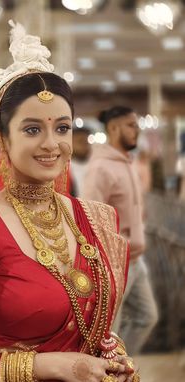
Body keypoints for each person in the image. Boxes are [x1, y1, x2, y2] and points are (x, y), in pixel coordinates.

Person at [0, 22, 140, 382]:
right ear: (2, 140)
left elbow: (93, 331)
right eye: (32, 129)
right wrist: (55, 365)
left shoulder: (94, 218)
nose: (52, 144)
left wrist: (112, 361)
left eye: (63, 128)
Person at [82, 106, 158, 356]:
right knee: (108, 329)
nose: (136, 131)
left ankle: (119, 365)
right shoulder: (100, 168)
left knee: (146, 317)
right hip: (114, 263)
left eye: (136, 125)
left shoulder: (127, 163)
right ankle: (108, 376)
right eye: (130, 125)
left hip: (136, 260)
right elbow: (91, 218)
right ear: (113, 128)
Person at [70, 127, 91, 197]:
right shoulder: (64, 169)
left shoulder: (95, 166)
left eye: (86, 142)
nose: (85, 145)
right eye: (80, 141)